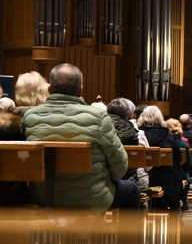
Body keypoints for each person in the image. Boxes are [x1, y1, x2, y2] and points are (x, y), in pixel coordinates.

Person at [23, 63, 140, 211]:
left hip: (45, 197)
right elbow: (120, 166)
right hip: (92, 198)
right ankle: (126, 234)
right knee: (133, 190)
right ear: (81, 90)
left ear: (50, 89)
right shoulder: (98, 117)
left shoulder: (30, 117)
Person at [138, 106, 183, 210]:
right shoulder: (169, 136)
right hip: (168, 181)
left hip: (146, 179)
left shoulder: (139, 134)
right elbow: (179, 158)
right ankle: (176, 221)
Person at [166, 118, 192, 210]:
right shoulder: (183, 144)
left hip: (161, 174)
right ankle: (184, 203)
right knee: (186, 177)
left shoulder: (163, 142)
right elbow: (188, 164)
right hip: (178, 175)